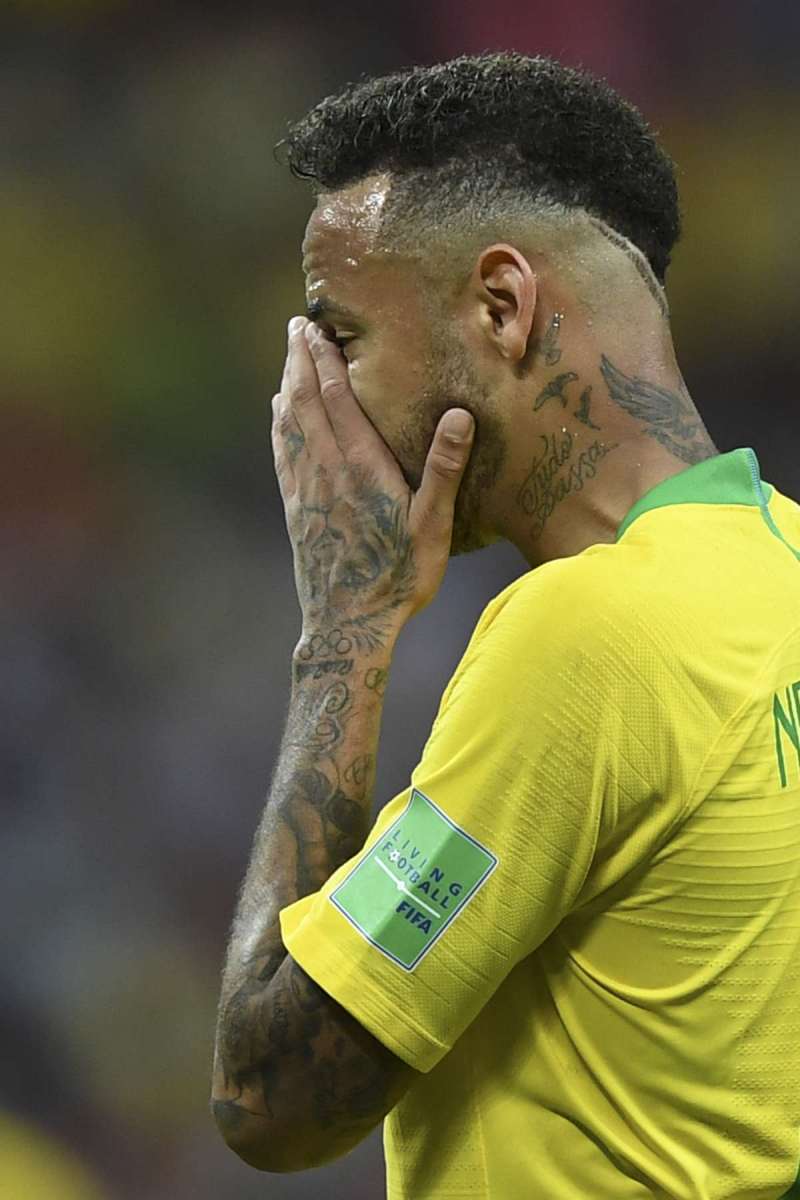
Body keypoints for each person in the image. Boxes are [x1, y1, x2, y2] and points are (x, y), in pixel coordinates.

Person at [210, 51, 800, 1198]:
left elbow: (270, 1096)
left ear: (501, 304)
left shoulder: (586, 636)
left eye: (339, 339)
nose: (313, 398)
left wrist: (345, 629)